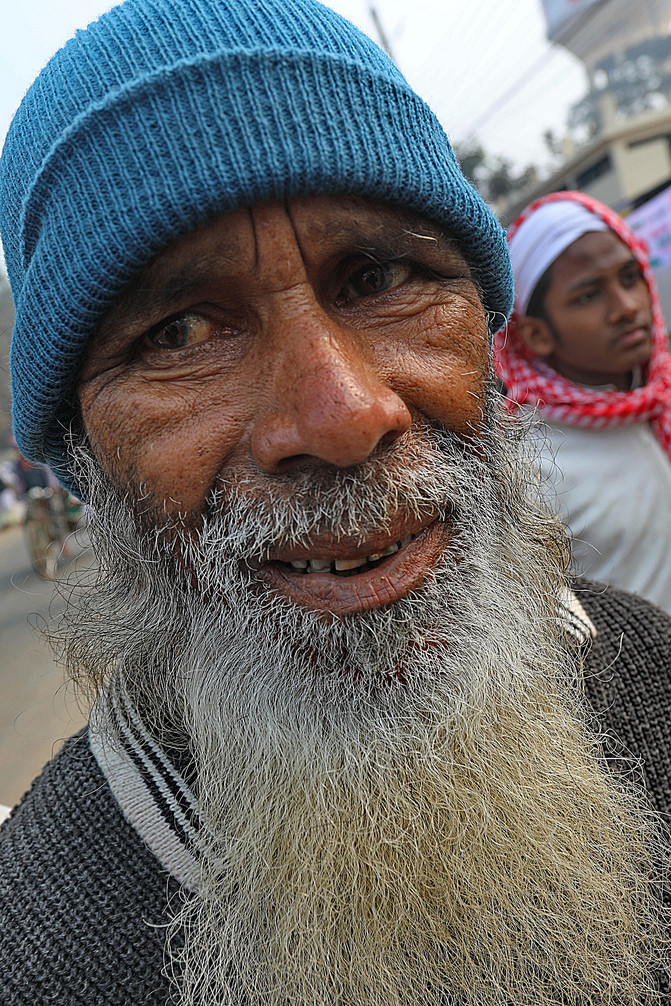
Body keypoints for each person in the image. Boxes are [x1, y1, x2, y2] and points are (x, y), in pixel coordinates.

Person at [0, 3, 670, 1004]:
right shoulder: (41, 947)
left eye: (381, 275)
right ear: (81, 452)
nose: (344, 414)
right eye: (179, 331)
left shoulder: (641, 669)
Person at [495, 190, 671, 612]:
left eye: (629, 278)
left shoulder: (659, 397)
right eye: (589, 295)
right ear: (537, 334)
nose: (627, 307)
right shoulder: (530, 467)